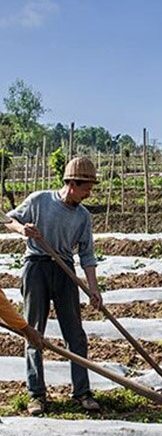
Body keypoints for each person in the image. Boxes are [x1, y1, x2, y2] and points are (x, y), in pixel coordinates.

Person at [5, 156, 103, 415]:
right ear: (72, 183)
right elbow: (7, 219)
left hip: (65, 271)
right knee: (33, 331)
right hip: (36, 267)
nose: (88, 194)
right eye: (86, 189)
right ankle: (36, 395)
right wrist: (22, 230)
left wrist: (94, 288)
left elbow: (87, 255)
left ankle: (82, 392)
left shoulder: (82, 217)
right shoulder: (40, 200)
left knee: (75, 335)